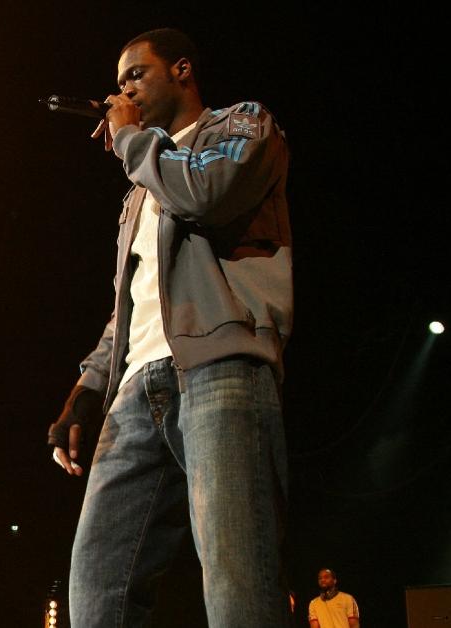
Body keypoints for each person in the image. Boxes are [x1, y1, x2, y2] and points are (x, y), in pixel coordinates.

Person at [47, 28, 293, 626]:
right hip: (133, 390)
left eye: (136, 74)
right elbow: (128, 302)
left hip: (220, 371)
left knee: (237, 582)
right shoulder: (142, 186)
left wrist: (132, 137)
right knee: (98, 591)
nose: (123, 89)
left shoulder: (243, 126)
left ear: (182, 70)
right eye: (118, 83)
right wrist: (86, 390)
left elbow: (207, 193)